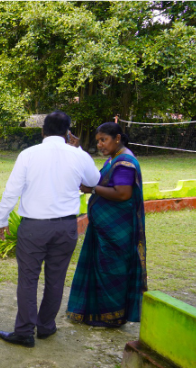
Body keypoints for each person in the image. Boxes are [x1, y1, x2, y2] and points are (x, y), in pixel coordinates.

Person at [0, 111, 100, 347]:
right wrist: (79, 150)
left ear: (43, 131)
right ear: (68, 133)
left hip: (34, 227)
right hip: (66, 226)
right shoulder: (78, 155)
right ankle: (45, 326)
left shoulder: (28, 154)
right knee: (56, 279)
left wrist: (2, 220)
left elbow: (12, 190)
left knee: (28, 279)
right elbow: (94, 181)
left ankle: (24, 331)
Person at [67, 122, 147, 326]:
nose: (100, 145)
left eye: (104, 140)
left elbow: (123, 193)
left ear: (117, 138)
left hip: (116, 230)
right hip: (105, 228)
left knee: (112, 270)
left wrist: (92, 189)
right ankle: (99, 313)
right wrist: (79, 150)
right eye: (98, 141)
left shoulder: (125, 162)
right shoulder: (115, 158)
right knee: (103, 268)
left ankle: (112, 316)